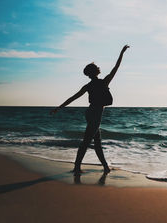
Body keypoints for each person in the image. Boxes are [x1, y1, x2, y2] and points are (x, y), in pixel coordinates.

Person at [51, 45, 130, 175]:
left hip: (90, 113)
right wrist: (122, 52)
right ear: (95, 71)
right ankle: (77, 167)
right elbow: (116, 67)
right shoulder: (104, 82)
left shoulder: (88, 85)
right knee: (86, 141)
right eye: (97, 67)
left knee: (97, 142)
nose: (99, 67)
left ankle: (105, 167)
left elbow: (73, 98)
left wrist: (58, 108)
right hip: (95, 114)